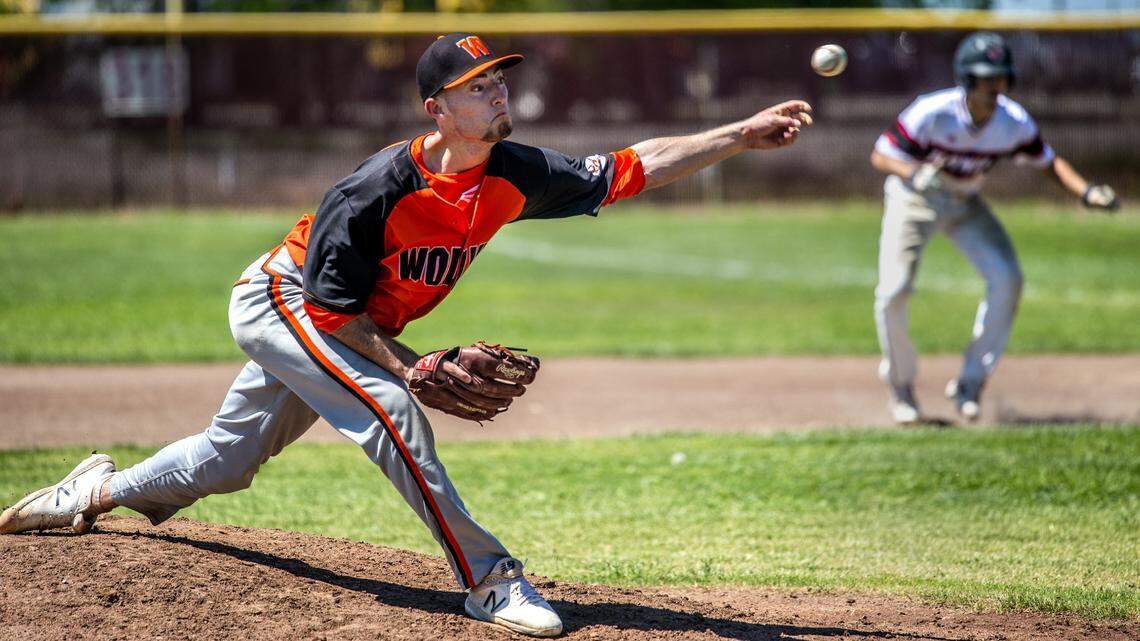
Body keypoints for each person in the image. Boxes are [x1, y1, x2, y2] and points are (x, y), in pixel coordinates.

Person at [0, 33, 812, 637]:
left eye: (497, 81)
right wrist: (412, 365)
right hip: (286, 299)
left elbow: (634, 163)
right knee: (392, 408)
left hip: (344, 317)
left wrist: (737, 135)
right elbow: (331, 311)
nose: (496, 95)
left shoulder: (513, 172)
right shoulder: (374, 189)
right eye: (476, 86)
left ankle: (93, 490)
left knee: (228, 460)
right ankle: (490, 578)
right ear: (438, 109)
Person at [870, 31, 1119, 425]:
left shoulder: (1011, 121)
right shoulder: (932, 111)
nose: (996, 86)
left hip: (964, 201)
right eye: (987, 78)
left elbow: (1048, 161)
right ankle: (901, 388)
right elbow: (881, 155)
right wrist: (912, 173)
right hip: (914, 199)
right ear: (967, 79)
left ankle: (971, 383)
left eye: (1001, 77)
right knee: (893, 290)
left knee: (1008, 278)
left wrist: (1086, 192)